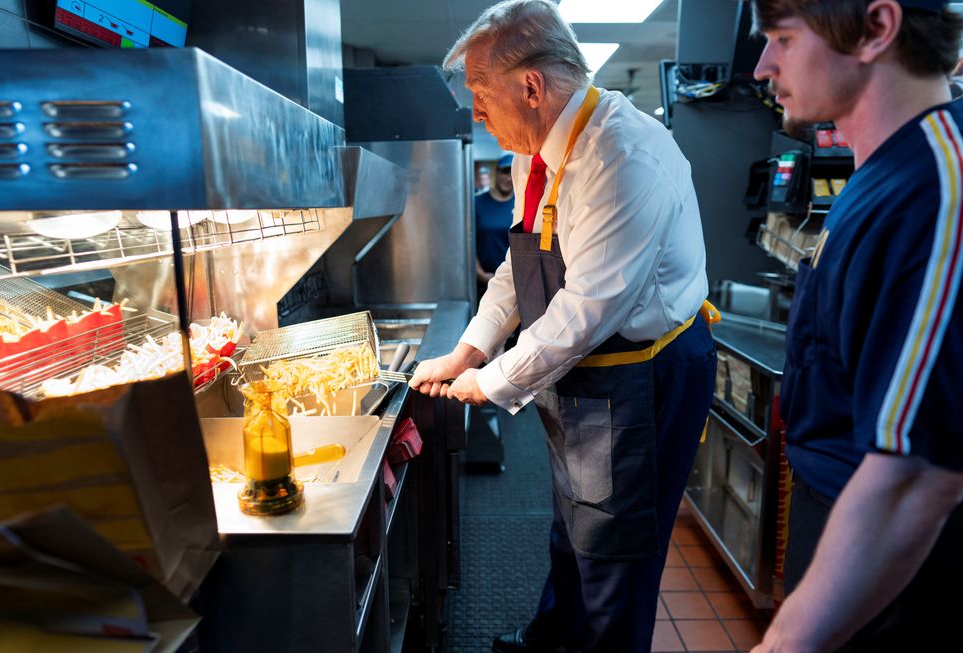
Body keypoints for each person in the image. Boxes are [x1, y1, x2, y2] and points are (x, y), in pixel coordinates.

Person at [409, 2, 717, 651]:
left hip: (640, 373)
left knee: (615, 549)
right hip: (580, 369)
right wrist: (469, 351)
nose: (475, 112)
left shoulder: (623, 158)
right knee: (571, 524)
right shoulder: (533, 151)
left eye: (479, 93)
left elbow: (584, 312)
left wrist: (491, 382)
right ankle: (553, 639)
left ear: (529, 86)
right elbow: (517, 271)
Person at [749, 1, 963, 651]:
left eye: (783, 38)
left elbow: (917, 475)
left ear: (877, 28)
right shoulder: (883, 173)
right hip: (848, 540)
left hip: (898, 573)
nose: (762, 66)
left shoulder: (938, 187)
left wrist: (784, 643)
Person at [475, 153, 516, 297]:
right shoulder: (477, 203)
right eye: (504, 172)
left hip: (515, 282)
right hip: (484, 280)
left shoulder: (522, 204)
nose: (508, 178)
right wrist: (480, 274)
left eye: (512, 173)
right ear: (496, 173)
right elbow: (468, 242)